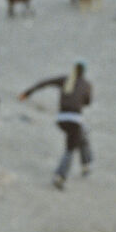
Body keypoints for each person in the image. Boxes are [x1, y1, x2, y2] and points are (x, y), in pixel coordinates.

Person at [19, 61, 93, 189]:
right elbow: (87, 102)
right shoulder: (86, 84)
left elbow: (45, 83)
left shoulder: (65, 79)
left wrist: (27, 93)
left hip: (61, 119)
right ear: (84, 72)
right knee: (70, 148)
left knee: (82, 137)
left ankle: (86, 165)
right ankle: (60, 176)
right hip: (74, 119)